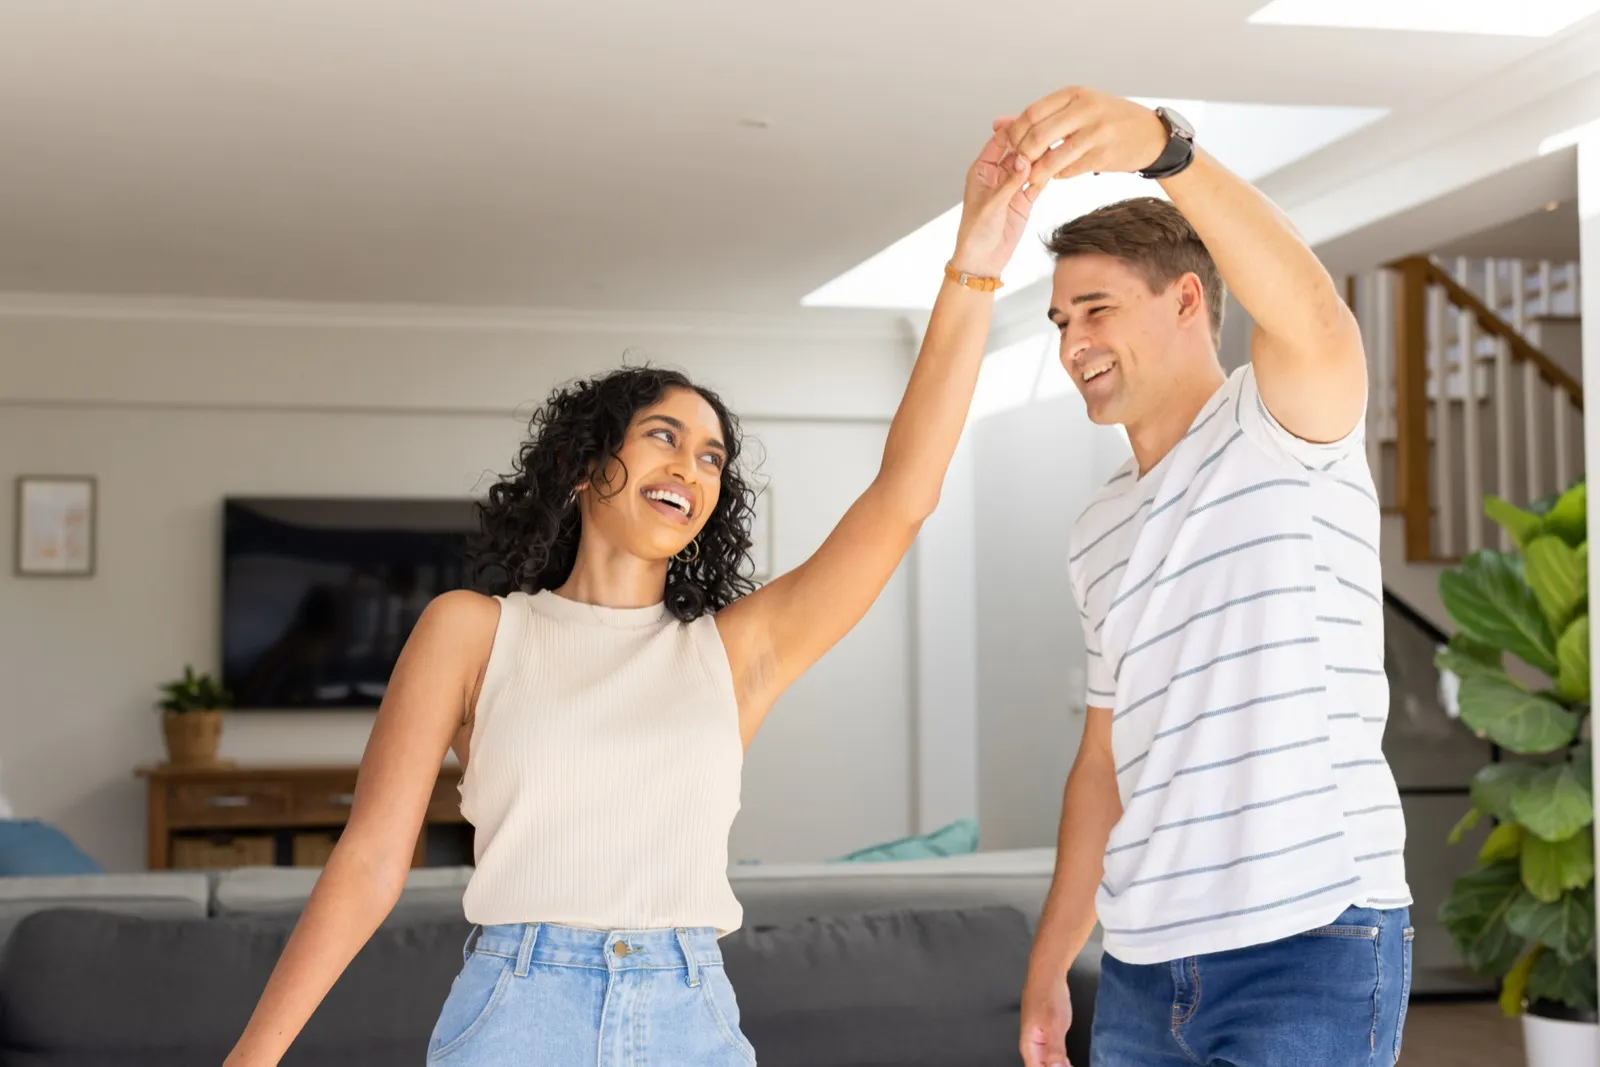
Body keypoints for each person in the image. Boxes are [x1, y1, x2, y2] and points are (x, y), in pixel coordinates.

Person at [223, 124, 1053, 1067]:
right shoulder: (472, 631)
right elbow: (371, 862)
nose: (691, 467)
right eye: (663, 436)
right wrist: (252, 1058)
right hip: (516, 1008)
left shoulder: (732, 652)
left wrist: (976, 265)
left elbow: (904, 496)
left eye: (711, 458)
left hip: (686, 1012)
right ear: (587, 464)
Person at [1003, 88, 1411, 1067]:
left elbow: (1308, 307)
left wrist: (1163, 149)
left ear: (1188, 298)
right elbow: (1102, 764)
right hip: (1146, 961)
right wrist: (1052, 959)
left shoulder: (1281, 428)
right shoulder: (1097, 527)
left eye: (1095, 308)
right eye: (1060, 319)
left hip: (1309, 937)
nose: (1071, 344)